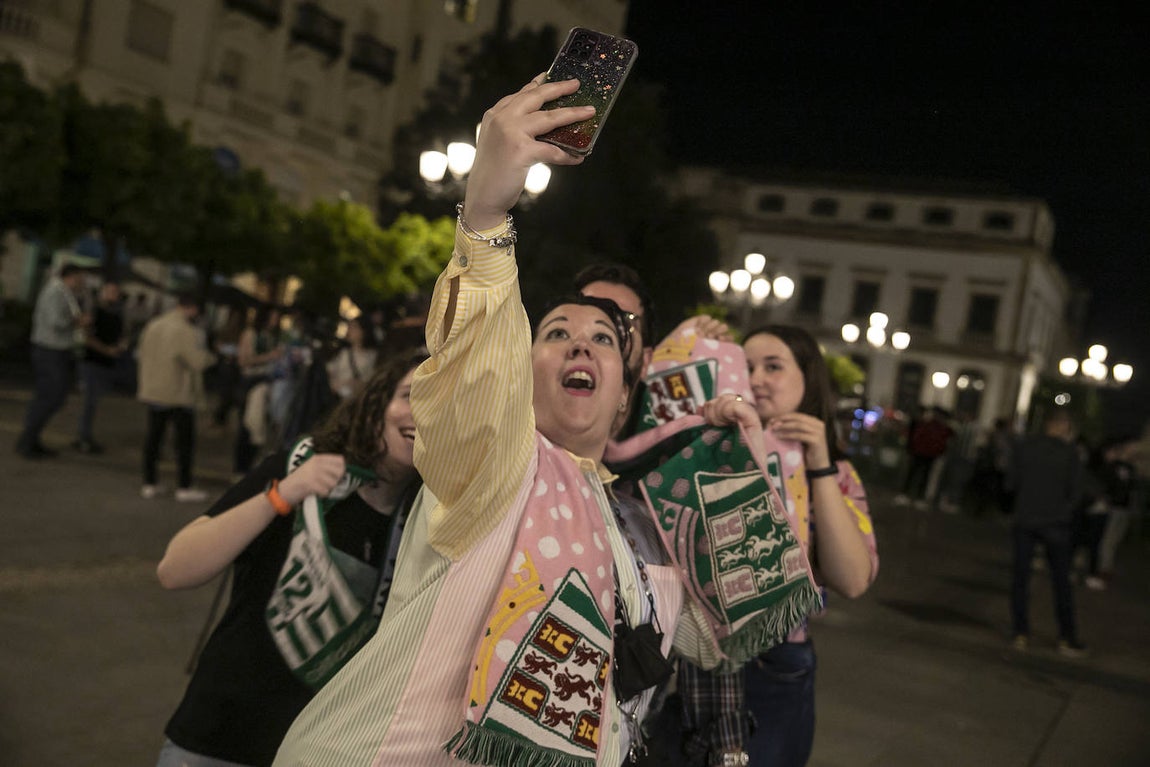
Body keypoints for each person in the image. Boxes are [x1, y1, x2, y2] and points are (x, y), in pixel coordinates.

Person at [275, 75, 764, 767]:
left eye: (605, 338)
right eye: (556, 330)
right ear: (523, 375)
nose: (582, 343)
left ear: (626, 392)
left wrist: (727, 442)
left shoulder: (638, 528)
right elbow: (477, 365)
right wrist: (485, 215)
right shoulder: (498, 461)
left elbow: (719, 635)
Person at [154, 352, 426, 767]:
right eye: (410, 395)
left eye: (444, 401)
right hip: (217, 738)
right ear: (377, 401)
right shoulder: (304, 465)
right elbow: (175, 570)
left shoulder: (430, 522)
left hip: (317, 751)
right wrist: (281, 496)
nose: (423, 413)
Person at [673, 325, 879, 767]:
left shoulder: (835, 471)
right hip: (698, 656)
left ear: (808, 378)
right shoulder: (707, 450)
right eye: (746, 367)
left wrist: (819, 464)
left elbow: (853, 579)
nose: (757, 378)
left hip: (778, 664)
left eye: (774, 366)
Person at [1007, 408, 1086, 656]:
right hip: (1055, 522)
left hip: (1026, 517)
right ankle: (1066, 636)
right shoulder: (1069, 453)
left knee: (1021, 577)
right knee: (1061, 580)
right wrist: (1064, 509)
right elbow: (1076, 491)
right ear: (1064, 427)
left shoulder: (1026, 447)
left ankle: (1020, 631)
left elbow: (1011, 482)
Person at [136, 293, 216, 502]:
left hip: (154, 389)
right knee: (184, 442)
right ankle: (184, 485)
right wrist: (212, 356)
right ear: (193, 308)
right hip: (179, 392)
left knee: (154, 438)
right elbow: (197, 361)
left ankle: (149, 482)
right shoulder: (185, 330)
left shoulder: (154, 325)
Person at [15, 263, 86, 459]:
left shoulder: (60, 291)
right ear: (71, 276)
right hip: (51, 350)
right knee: (52, 396)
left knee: (49, 396)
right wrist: (77, 321)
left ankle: (31, 438)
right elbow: (56, 322)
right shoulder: (55, 292)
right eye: (80, 278)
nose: (82, 283)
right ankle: (28, 440)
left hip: (54, 350)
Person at [73, 280, 127, 454]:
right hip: (92, 361)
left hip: (106, 364)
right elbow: (86, 337)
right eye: (110, 291)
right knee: (89, 402)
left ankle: (85, 436)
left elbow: (120, 335)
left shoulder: (117, 313)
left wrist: (120, 345)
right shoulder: (94, 312)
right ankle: (83, 438)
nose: (113, 295)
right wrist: (106, 350)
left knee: (93, 402)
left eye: (116, 292)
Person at [234, 307, 285, 476]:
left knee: (259, 424)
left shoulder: (269, 336)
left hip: (266, 382)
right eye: (273, 317)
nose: (276, 321)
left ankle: (248, 465)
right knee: (247, 425)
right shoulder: (251, 334)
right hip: (251, 381)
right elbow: (244, 360)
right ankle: (240, 467)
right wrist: (269, 356)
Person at [894, 406, 953, 509]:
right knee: (915, 475)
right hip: (922, 454)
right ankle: (908, 495)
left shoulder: (938, 427)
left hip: (927, 455)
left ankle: (915, 497)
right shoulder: (928, 425)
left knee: (921, 476)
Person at [326, 315, 379, 401]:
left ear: (364, 331)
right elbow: (330, 374)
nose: (349, 330)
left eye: (354, 327)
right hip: (340, 400)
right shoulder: (342, 353)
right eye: (349, 327)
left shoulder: (373, 356)